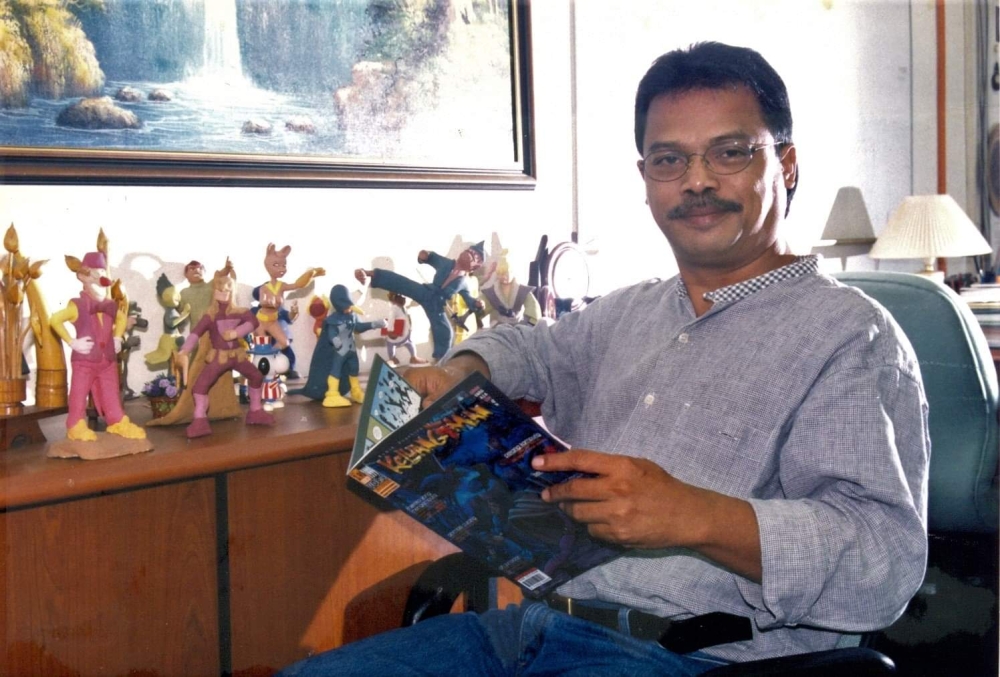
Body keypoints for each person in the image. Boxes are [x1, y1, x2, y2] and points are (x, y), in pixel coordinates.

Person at [279, 42, 929, 676]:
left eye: (730, 153)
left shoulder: (852, 335)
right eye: (669, 160)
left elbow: (883, 560)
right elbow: (529, 348)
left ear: (785, 164)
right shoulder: (630, 311)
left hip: (693, 657)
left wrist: (695, 515)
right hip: (525, 632)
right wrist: (459, 371)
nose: (697, 181)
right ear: (645, 179)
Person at [174, 259, 274, 438]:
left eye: (228, 290)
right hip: (218, 357)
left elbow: (253, 321)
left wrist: (237, 333)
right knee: (199, 387)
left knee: (256, 375)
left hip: (237, 355)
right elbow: (195, 334)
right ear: (214, 291)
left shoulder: (239, 312)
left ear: (232, 291)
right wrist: (184, 351)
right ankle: (199, 419)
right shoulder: (210, 316)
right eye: (220, 290)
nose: (224, 293)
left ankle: (255, 411)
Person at [355, 242, 487, 361]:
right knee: (403, 283)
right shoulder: (447, 263)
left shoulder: (463, 283)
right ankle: (370, 276)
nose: (470, 255)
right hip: (426, 291)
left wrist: (477, 304)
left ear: (474, 267)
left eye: (475, 257)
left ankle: (441, 361)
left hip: (436, 305)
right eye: (470, 251)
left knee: (446, 332)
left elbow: (469, 300)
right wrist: (426, 256)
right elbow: (433, 258)